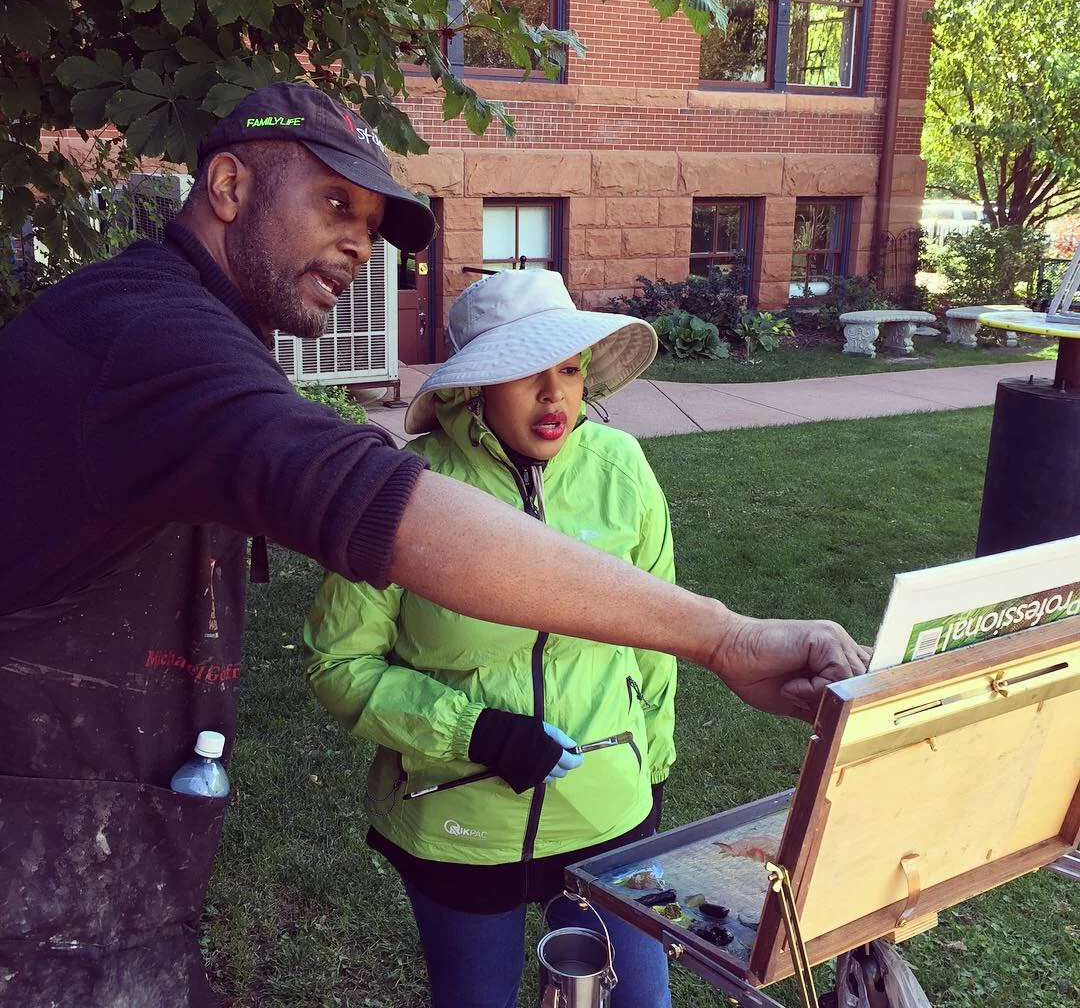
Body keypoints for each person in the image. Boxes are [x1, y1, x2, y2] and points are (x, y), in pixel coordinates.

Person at [0, 80, 866, 1008]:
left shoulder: (184, 322)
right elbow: (359, 500)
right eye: (334, 202)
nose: (357, 243)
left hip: (101, 828)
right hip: (39, 832)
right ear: (226, 185)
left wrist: (646, 766)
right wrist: (725, 638)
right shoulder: (150, 331)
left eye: (370, 221)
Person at [305, 269, 678, 1006]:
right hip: (458, 817)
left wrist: (654, 770)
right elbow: (338, 661)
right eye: (525, 373)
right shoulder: (403, 495)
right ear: (472, 389)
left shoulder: (622, 470)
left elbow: (657, 632)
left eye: (569, 369)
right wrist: (476, 732)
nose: (556, 395)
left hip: (609, 809)